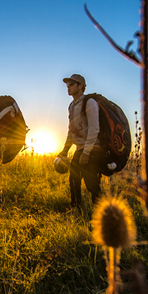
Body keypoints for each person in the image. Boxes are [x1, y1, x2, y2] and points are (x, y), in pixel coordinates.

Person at [58, 74, 103, 207]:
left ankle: (100, 212)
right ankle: (76, 209)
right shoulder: (71, 106)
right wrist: (65, 151)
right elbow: (71, 130)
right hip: (80, 150)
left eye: (71, 84)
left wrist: (87, 152)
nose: (68, 87)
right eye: (67, 85)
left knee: (92, 184)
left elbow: (94, 129)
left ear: (81, 86)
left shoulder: (89, 103)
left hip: (93, 150)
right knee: (73, 180)